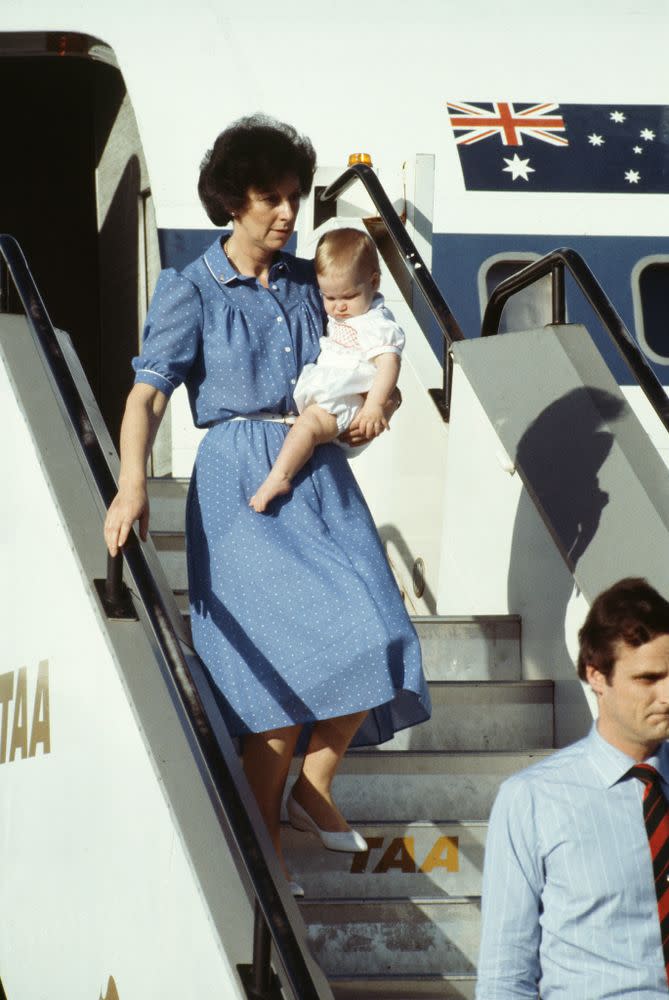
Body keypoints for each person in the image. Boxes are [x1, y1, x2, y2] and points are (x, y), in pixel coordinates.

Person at [103, 114, 431, 896]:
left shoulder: (306, 281)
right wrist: (132, 480)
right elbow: (146, 397)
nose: (287, 213)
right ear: (231, 201)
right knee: (277, 694)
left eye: (293, 197)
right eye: (269, 198)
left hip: (317, 469)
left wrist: (375, 408)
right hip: (237, 478)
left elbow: (363, 349)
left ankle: (312, 789)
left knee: (382, 633)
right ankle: (265, 865)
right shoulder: (190, 288)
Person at [476, 577, 669, 999]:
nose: (667, 694)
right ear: (596, 676)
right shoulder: (532, 800)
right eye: (648, 678)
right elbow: (504, 978)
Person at [249, 228, 403, 513]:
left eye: (349, 296)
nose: (339, 307)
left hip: (347, 402)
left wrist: (375, 406)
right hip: (335, 395)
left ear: (374, 282)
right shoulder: (349, 311)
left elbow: (390, 363)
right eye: (329, 298)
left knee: (307, 426)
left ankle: (279, 478)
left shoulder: (375, 323)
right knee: (305, 427)